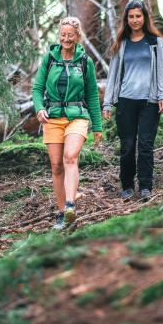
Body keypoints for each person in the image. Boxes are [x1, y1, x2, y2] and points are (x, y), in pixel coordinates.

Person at [32, 17, 103, 230]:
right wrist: (39, 108)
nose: (66, 39)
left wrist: (97, 126)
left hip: (77, 116)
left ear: (77, 36)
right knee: (56, 167)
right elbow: (37, 89)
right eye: (63, 35)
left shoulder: (85, 62)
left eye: (70, 35)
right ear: (59, 36)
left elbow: (91, 94)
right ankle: (62, 213)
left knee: (70, 157)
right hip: (52, 117)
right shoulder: (50, 59)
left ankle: (71, 205)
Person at [103, 0, 163, 201]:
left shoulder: (156, 43)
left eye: (138, 16)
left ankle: (146, 185)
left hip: (149, 102)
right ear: (126, 19)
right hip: (125, 101)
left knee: (146, 145)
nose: (134, 20)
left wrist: (162, 95)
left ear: (145, 17)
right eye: (131, 17)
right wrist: (107, 102)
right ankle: (127, 185)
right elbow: (113, 74)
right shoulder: (121, 44)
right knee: (128, 145)